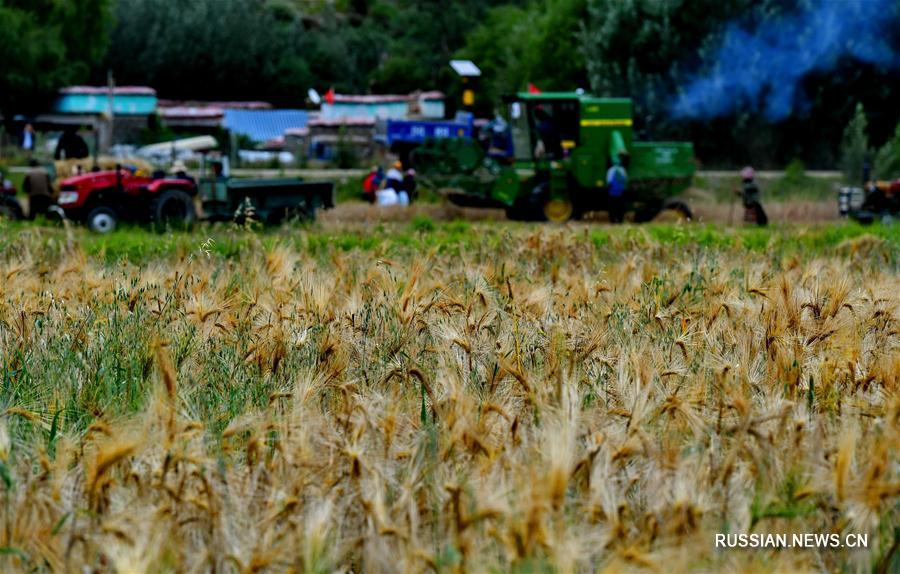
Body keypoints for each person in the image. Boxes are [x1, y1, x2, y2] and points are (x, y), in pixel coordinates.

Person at [606, 153, 628, 223]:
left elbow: (608, 181)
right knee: (620, 206)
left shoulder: (611, 170)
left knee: (612, 206)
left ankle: (613, 220)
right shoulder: (622, 170)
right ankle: (620, 220)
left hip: (612, 192)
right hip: (620, 191)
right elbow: (625, 179)